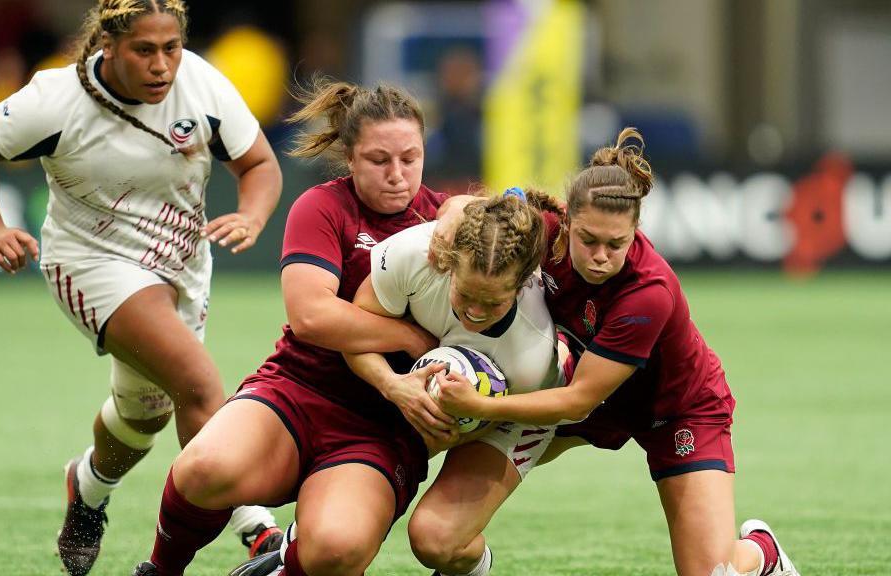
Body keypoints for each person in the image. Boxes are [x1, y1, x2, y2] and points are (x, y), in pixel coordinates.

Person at [0, 1, 284, 574]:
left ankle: (88, 488)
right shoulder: (54, 98)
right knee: (198, 383)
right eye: (144, 50)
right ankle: (258, 529)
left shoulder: (200, 82)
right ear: (107, 44)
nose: (162, 66)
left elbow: (260, 165)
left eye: (171, 48)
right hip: (91, 263)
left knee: (144, 415)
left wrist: (251, 215)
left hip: (181, 264)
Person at [431, 128, 801, 576]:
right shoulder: (542, 232)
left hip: (675, 409)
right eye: (589, 240)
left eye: (616, 244)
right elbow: (463, 210)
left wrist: (478, 404)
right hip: (587, 397)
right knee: (442, 537)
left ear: (635, 233)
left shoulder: (649, 293)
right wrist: (451, 215)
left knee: (712, 573)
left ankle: (762, 553)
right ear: (566, 223)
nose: (601, 256)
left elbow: (577, 401)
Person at [131, 77, 447, 576]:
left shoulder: (444, 225)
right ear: (350, 158)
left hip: (379, 427)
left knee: (336, 551)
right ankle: (160, 570)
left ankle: (281, 567)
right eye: (378, 160)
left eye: (410, 158)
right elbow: (312, 317)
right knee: (203, 468)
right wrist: (412, 338)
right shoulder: (324, 206)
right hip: (296, 391)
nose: (397, 174)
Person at [343, 187, 572, 576]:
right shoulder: (411, 256)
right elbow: (353, 333)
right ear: (449, 264)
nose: (475, 312)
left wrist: (455, 421)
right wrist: (391, 384)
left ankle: (474, 569)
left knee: (436, 540)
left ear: (521, 286)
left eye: (493, 302)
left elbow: (538, 408)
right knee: (345, 504)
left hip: (514, 412)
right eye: (465, 294)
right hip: (415, 385)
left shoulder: (533, 355)